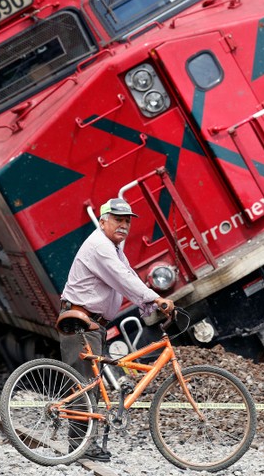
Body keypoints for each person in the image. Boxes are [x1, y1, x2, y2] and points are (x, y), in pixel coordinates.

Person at [58, 197, 174, 462]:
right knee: (84, 384)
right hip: (81, 321)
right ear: (102, 221)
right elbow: (122, 280)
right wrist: (154, 299)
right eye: (117, 220)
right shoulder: (100, 246)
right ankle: (80, 447)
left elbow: (129, 274)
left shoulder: (113, 246)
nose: (123, 226)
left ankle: (87, 443)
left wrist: (150, 304)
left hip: (92, 323)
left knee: (91, 384)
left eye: (127, 221)